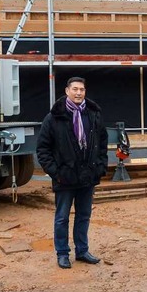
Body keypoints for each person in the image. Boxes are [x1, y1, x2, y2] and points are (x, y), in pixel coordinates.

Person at [36, 77, 108, 269]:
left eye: (82, 90)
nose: (78, 93)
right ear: (67, 91)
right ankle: (62, 253)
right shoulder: (54, 117)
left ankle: (82, 251)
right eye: (75, 89)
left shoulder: (93, 114)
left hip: (87, 176)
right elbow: (43, 149)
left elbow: (102, 143)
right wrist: (56, 173)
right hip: (65, 177)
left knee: (84, 215)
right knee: (62, 217)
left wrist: (100, 166)